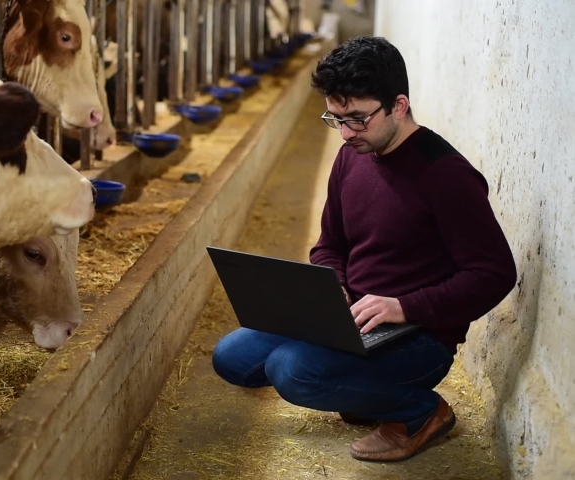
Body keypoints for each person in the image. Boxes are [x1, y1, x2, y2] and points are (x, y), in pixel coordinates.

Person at [211, 36, 517, 462]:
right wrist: (333, 286)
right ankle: (361, 391)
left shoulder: (447, 176)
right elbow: (329, 245)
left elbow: (495, 274)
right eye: (335, 118)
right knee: (231, 357)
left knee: (291, 370)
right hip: (351, 318)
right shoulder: (351, 155)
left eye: (357, 119)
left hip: (418, 338)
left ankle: (421, 411)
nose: (345, 133)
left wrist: (404, 306)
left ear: (399, 105)